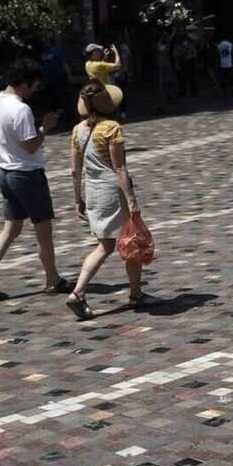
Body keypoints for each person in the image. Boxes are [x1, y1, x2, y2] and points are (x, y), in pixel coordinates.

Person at [0, 58, 74, 301]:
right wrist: (46, 127)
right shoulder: (20, 109)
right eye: (34, 86)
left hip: (5, 173)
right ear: (24, 83)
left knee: (10, 229)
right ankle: (52, 278)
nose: (34, 91)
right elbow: (30, 146)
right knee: (43, 229)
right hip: (27, 174)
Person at [65, 80, 148, 319]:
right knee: (131, 242)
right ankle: (133, 295)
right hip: (112, 192)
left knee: (106, 245)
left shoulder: (77, 130)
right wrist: (131, 200)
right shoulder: (111, 128)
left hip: (93, 191)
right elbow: (119, 168)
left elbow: (75, 170)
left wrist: (77, 199)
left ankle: (80, 292)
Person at [38, 40, 72, 128]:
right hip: (48, 81)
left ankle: (67, 121)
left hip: (59, 79)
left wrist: (69, 75)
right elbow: (41, 66)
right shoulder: (42, 53)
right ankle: (53, 123)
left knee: (63, 100)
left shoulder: (57, 51)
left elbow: (64, 63)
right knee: (51, 103)